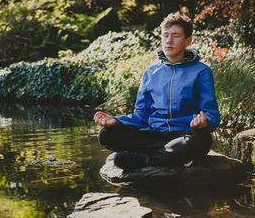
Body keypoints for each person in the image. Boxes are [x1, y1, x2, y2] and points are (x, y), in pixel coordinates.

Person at [93, 11, 221, 169]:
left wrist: (204, 122)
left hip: (184, 134)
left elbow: (212, 115)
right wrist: (117, 121)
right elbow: (141, 116)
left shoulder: (201, 71)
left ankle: (145, 159)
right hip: (153, 135)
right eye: (165, 35)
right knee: (107, 135)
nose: (168, 41)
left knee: (201, 140)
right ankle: (169, 156)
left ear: (188, 41)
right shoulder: (151, 72)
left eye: (175, 36)